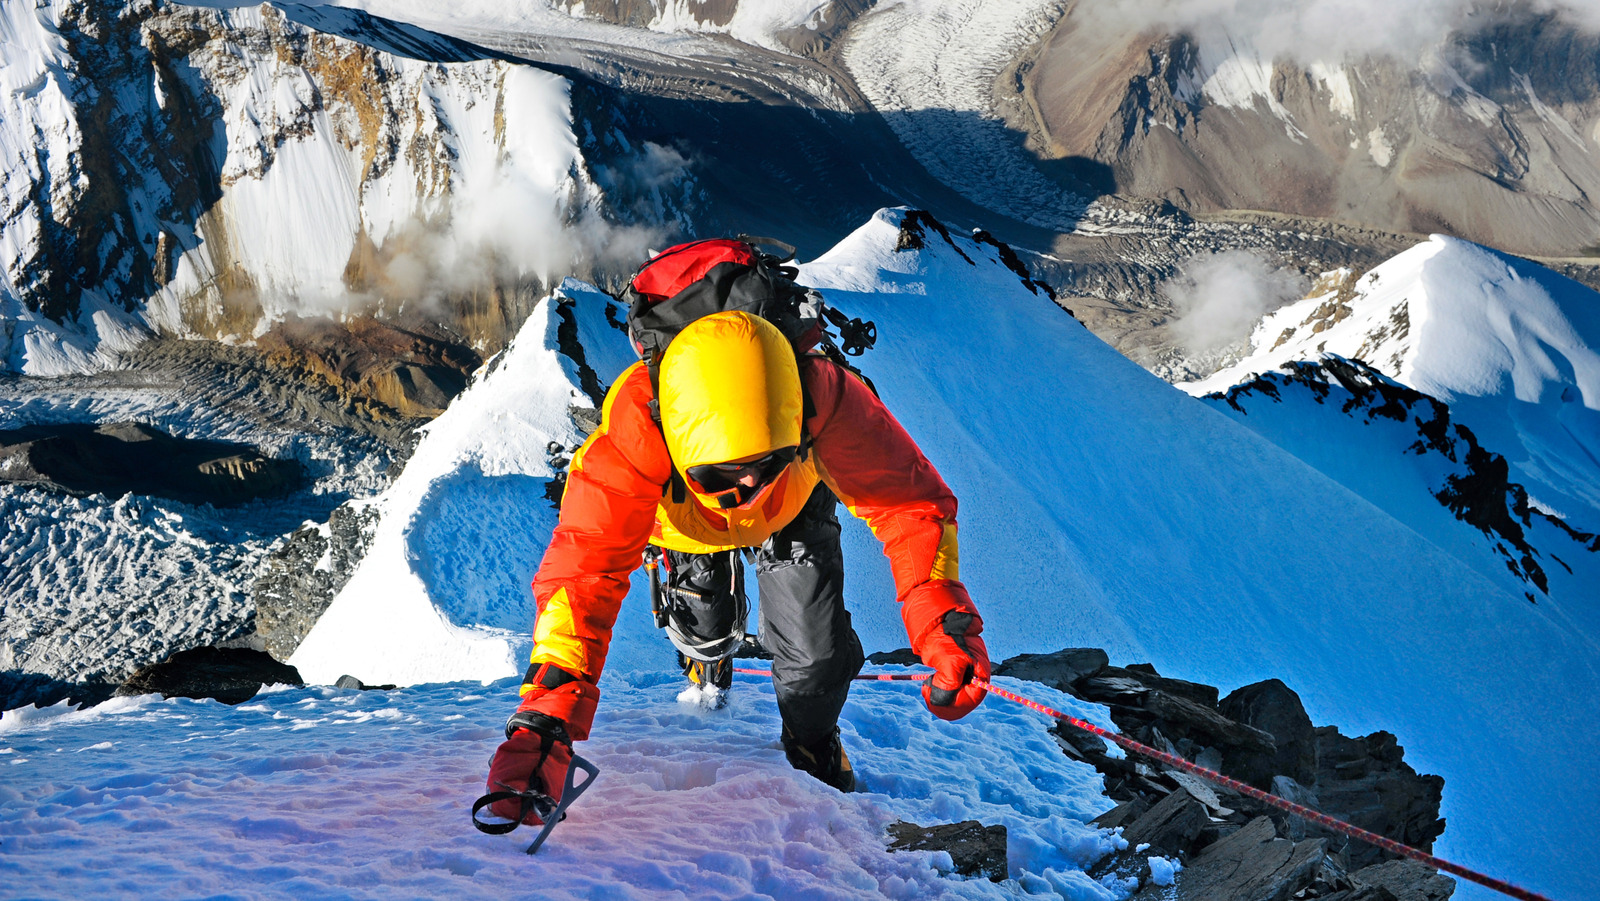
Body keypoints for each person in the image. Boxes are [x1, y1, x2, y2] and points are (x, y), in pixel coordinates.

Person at [484, 304, 990, 824]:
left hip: (790, 508)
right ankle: (707, 656)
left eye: (763, 462)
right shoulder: (636, 431)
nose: (747, 485)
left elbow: (908, 504)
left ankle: (811, 739)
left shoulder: (823, 396)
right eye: (723, 473)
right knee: (705, 634)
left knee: (816, 654)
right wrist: (545, 719)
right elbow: (583, 573)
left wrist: (941, 622)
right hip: (688, 524)